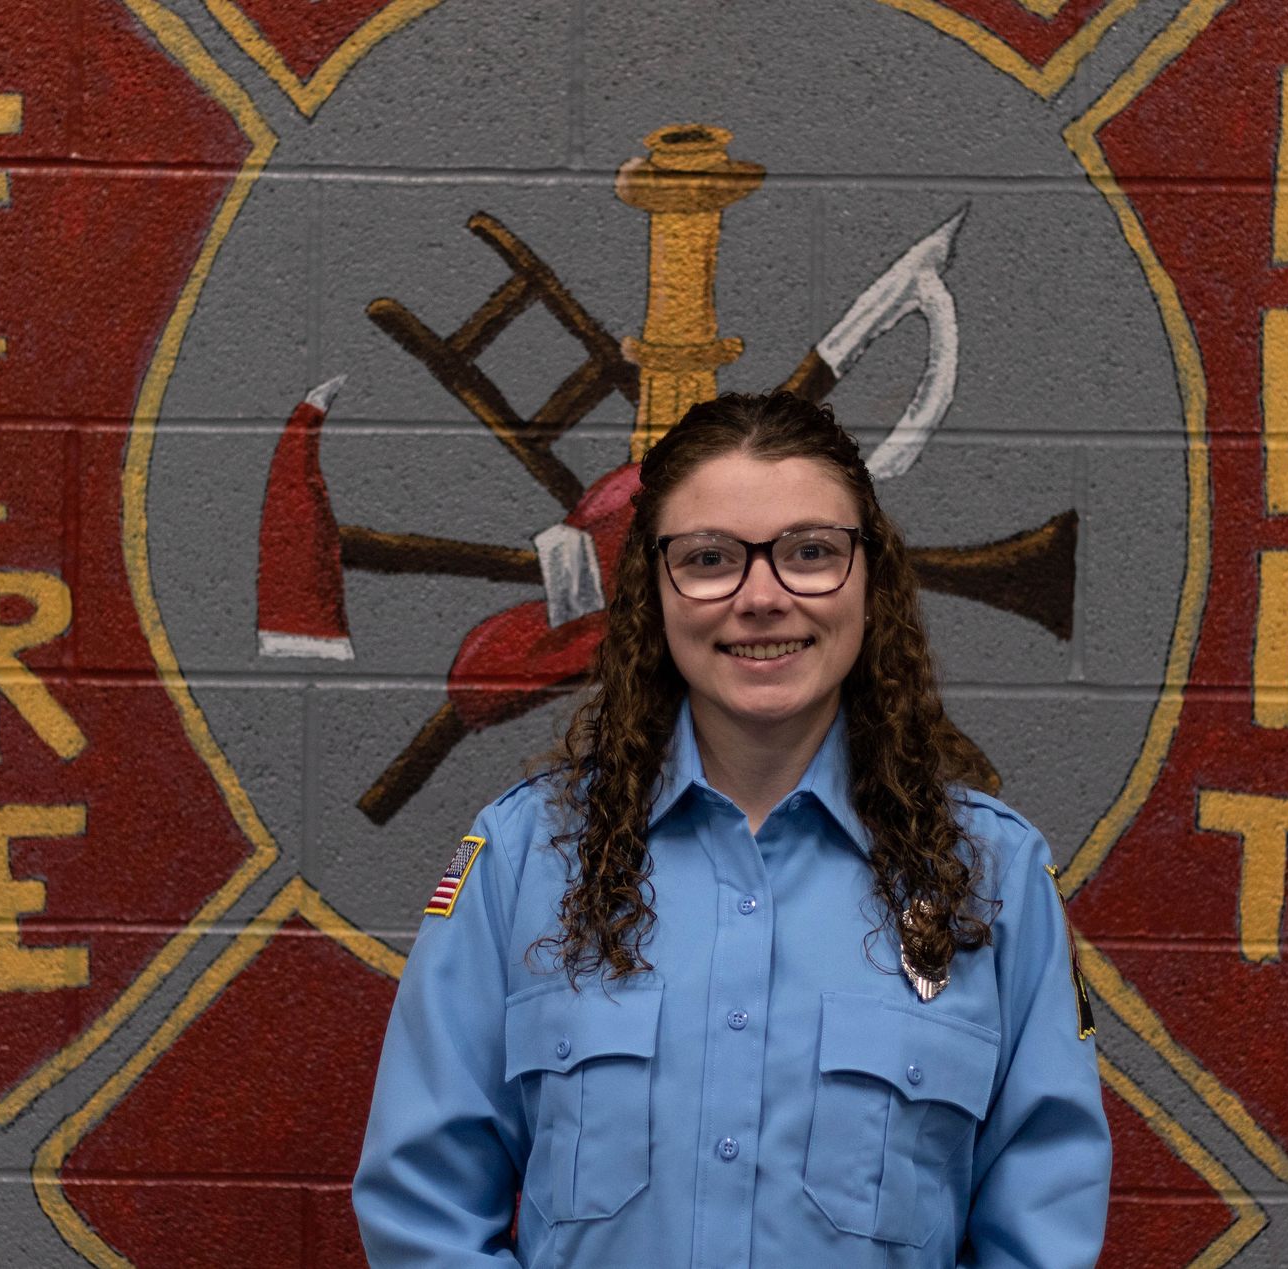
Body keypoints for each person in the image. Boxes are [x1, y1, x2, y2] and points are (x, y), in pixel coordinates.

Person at [353, 391, 1111, 1266]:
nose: (762, 597)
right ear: (654, 589)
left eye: (811, 552)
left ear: (872, 579)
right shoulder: (523, 860)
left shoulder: (994, 876)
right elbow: (424, 1209)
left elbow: (1040, 1234)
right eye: (710, 558)